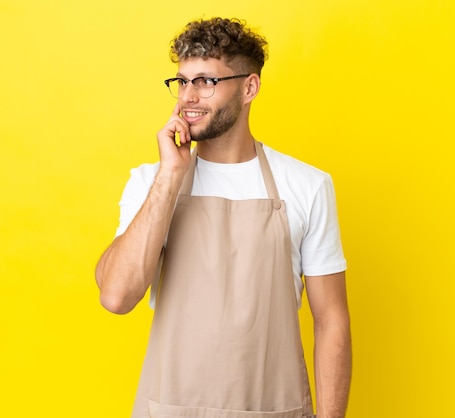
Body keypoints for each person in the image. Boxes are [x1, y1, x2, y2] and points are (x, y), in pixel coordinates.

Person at [95, 17, 352, 418]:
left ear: (249, 87)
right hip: (170, 409)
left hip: (274, 409)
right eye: (181, 81)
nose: (188, 97)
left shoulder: (307, 185)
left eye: (206, 81)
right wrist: (169, 176)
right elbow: (116, 296)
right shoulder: (151, 181)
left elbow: (332, 319)